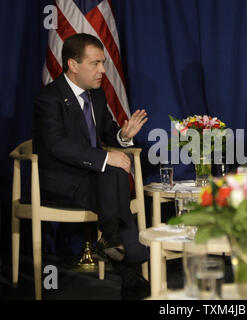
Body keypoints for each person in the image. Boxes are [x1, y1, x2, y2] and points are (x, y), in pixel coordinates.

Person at [33, 33, 150, 299]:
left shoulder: (96, 96)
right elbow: (57, 144)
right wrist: (106, 158)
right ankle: (128, 261)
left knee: (117, 171)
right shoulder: (48, 98)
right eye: (95, 63)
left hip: (94, 180)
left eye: (104, 63)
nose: (102, 71)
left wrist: (123, 135)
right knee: (115, 169)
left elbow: (109, 134)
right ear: (73, 65)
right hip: (62, 182)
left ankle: (112, 240)